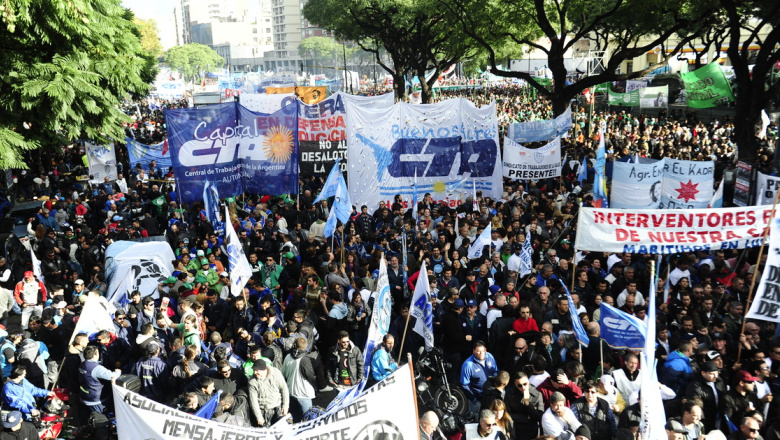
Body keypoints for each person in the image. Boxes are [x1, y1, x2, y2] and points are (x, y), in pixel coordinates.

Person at [281, 338, 317, 422]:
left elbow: (283, 374)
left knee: (296, 420)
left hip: (291, 393)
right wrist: (315, 387)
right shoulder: (306, 359)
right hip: (304, 394)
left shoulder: (288, 357)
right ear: (306, 346)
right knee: (309, 420)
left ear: (295, 345)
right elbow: (311, 376)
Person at [78, 345, 121, 415]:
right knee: (101, 420)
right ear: (94, 355)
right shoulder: (97, 368)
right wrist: (118, 371)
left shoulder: (82, 364)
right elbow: (112, 376)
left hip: (85, 397)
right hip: (96, 401)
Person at [461, 341, 499, 416]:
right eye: (478, 351)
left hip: (492, 395)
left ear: (485, 350)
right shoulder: (468, 365)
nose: (481, 353)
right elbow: (464, 385)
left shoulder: (490, 356)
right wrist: (474, 400)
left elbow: (496, 372)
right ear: (473, 351)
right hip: (478, 399)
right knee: (477, 420)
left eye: (482, 351)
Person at [248, 359, 289, 427]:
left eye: (257, 371)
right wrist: (259, 417)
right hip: (264, 411)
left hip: (277, 408)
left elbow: (284, 388)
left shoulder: (276, 373)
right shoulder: (252, 381)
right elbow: (253, 401)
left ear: (264, 370)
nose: (255, 372)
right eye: (254, 370)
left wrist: (285, 405)